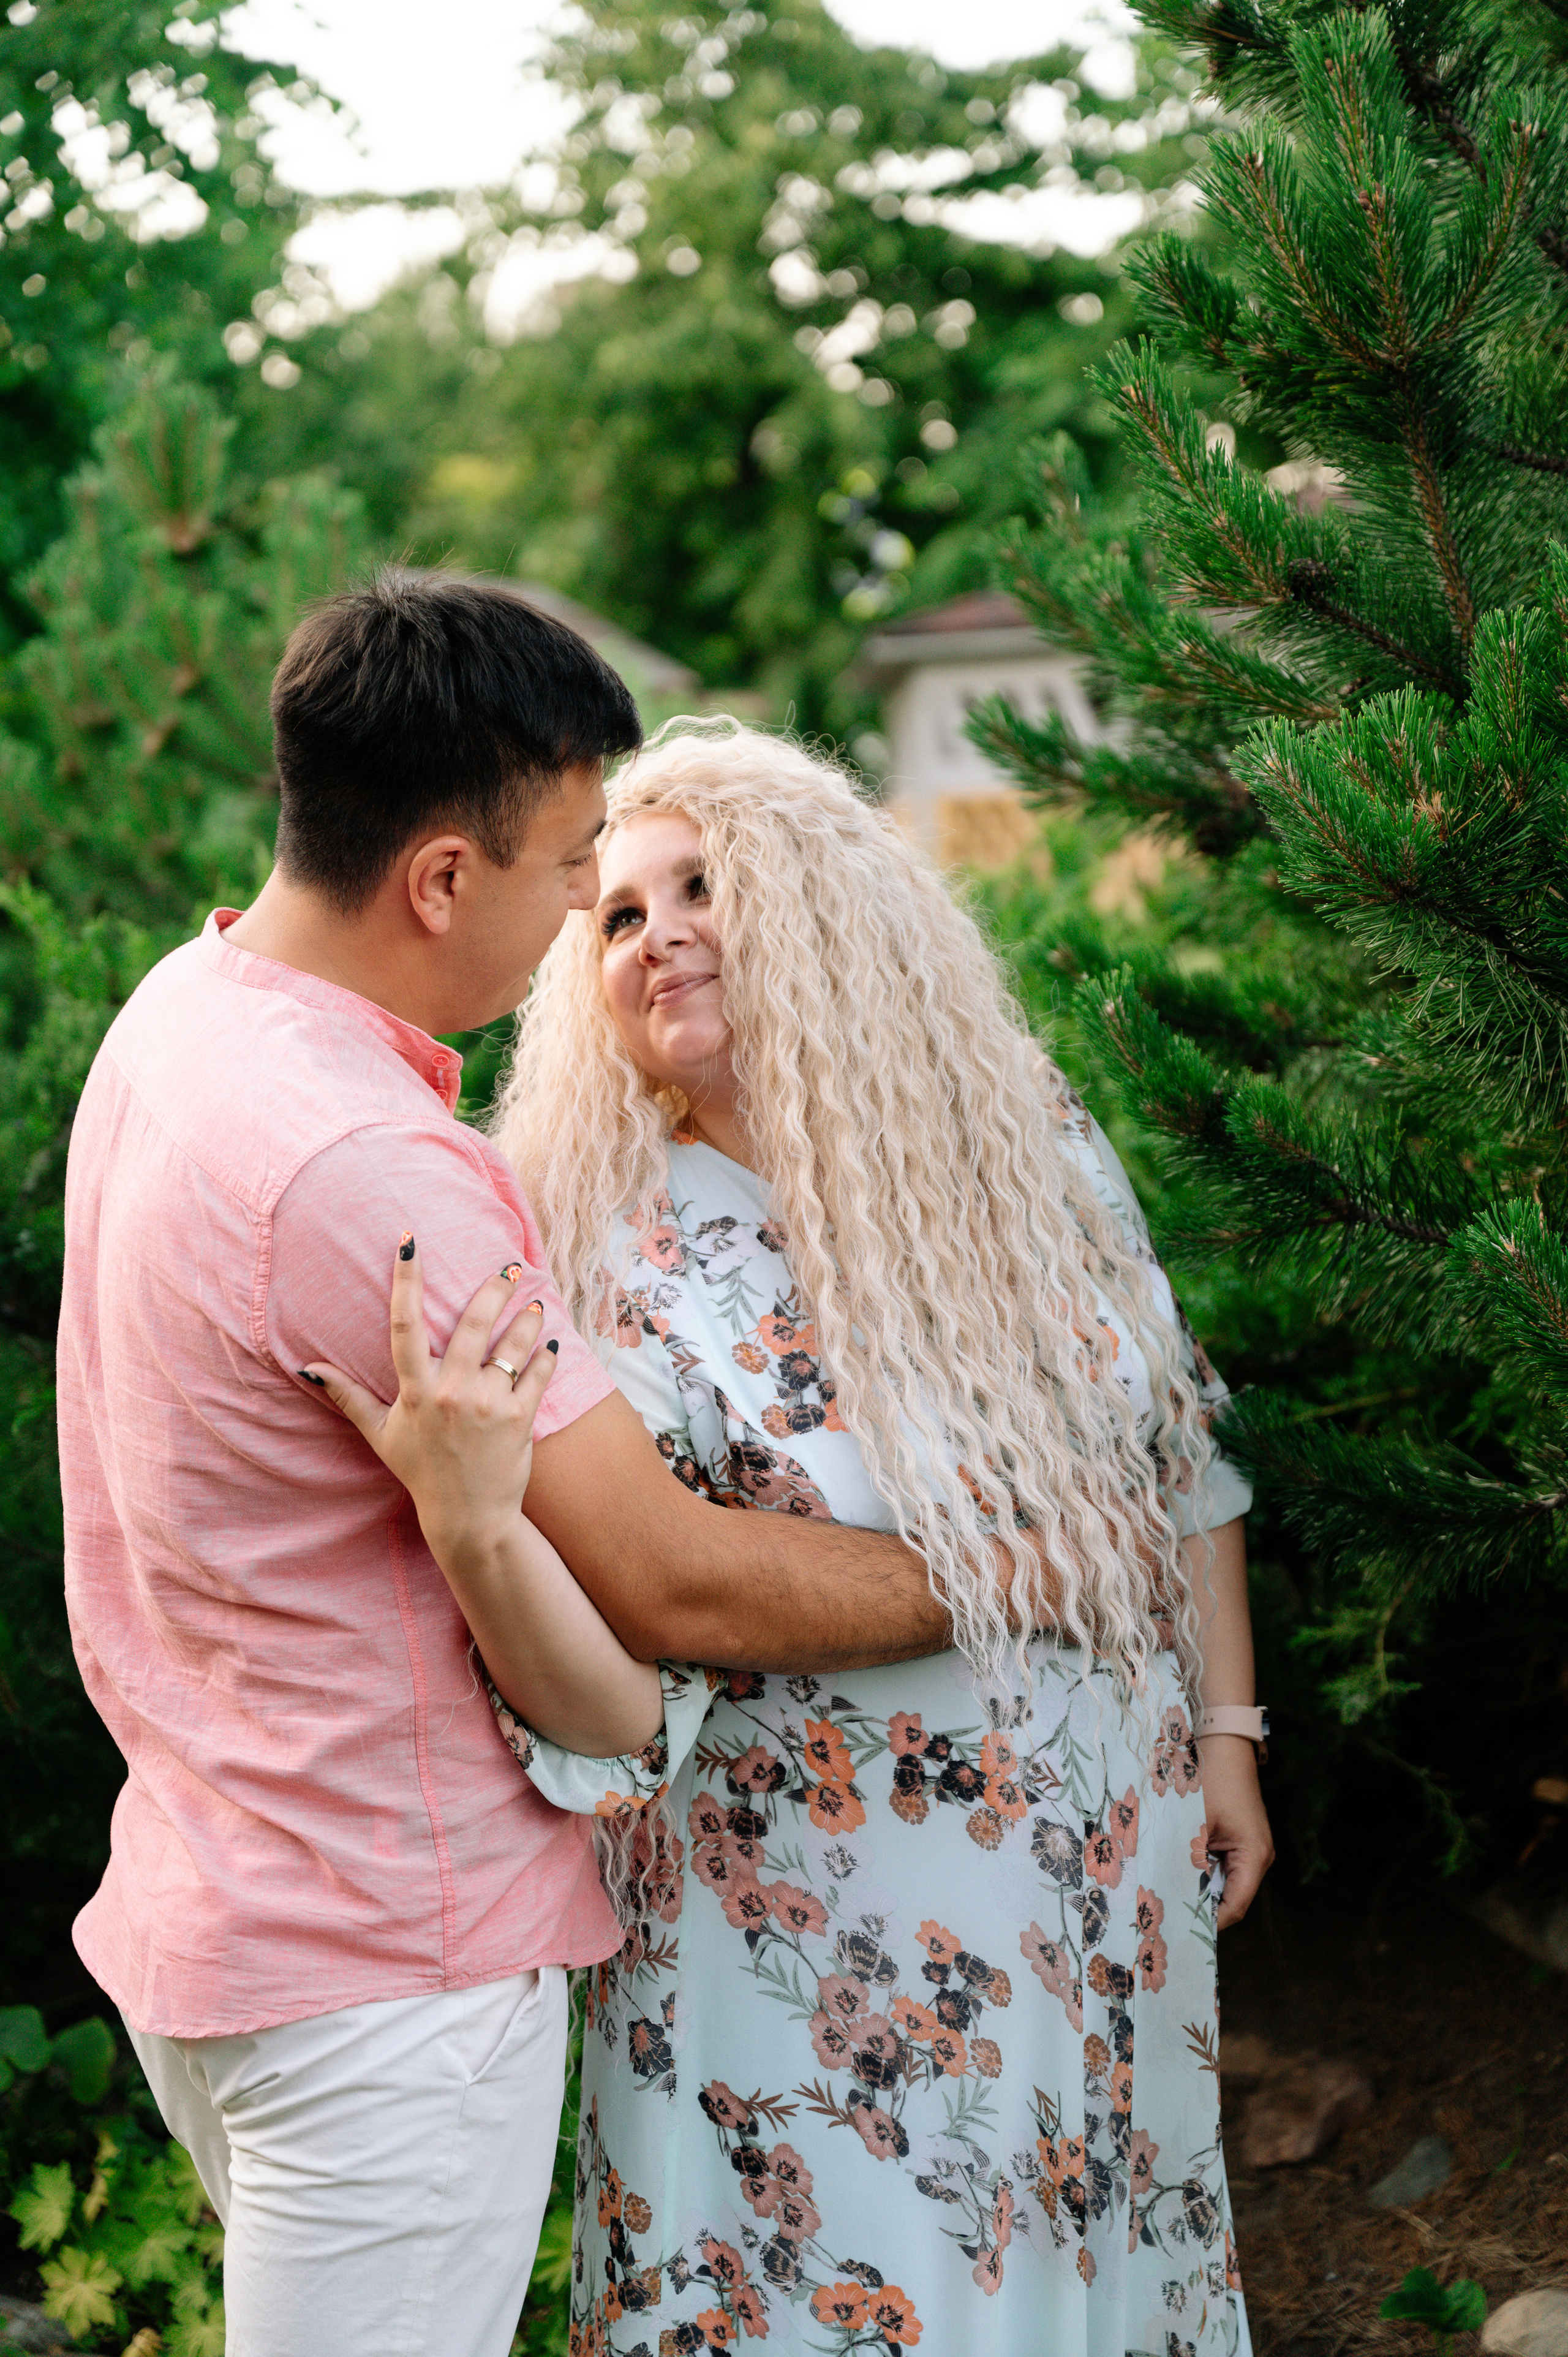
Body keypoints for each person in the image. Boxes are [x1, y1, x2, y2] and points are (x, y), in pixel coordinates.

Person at [57, 584, 984, 2357]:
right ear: (437, 881)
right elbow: (665, 1583)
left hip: (229, 1909)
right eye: (573, 867)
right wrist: (1011, 1581)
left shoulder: (178, 1018)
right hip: (388, 1981)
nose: (589, 912)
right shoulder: (378, 1170)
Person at [317, 723, 1273, 2356]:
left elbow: (1179, 1452)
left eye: (705, 885)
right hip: (793, 1938)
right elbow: (643, 1594)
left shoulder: (1016, 1142)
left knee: (1073, 2280)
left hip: (1086, 1869)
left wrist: (1232, 1739)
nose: (658, 930)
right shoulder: (587, 1241)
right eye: (616, 913)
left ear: (826, 912)